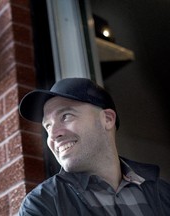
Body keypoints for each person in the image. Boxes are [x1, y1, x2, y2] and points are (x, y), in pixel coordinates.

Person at [18, 78, 170, 216]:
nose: (53, 135)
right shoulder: (40, 205)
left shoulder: (163, 192)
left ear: (108, 119)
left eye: (66, 116)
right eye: (48, 126)